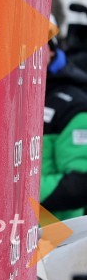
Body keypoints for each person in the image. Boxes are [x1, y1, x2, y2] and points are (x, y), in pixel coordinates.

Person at [41, 30, 87, 219]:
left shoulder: (75, 104)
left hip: (57, 239)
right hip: (4, 232)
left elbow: (80, 183)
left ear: (51, 49)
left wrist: (13, 193)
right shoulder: (3, 98)